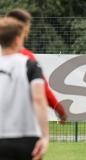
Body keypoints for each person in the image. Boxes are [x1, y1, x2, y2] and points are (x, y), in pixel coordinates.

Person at [6, 9, 67, 123]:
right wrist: (59, 110)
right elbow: (42, 89)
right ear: (25, 29)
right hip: (20, 123)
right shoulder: (27, 58)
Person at [0, 17, 49, 160]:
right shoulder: (31, 65)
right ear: (17, 39)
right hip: (27, 136)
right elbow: (39, 99)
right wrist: (45, 136)